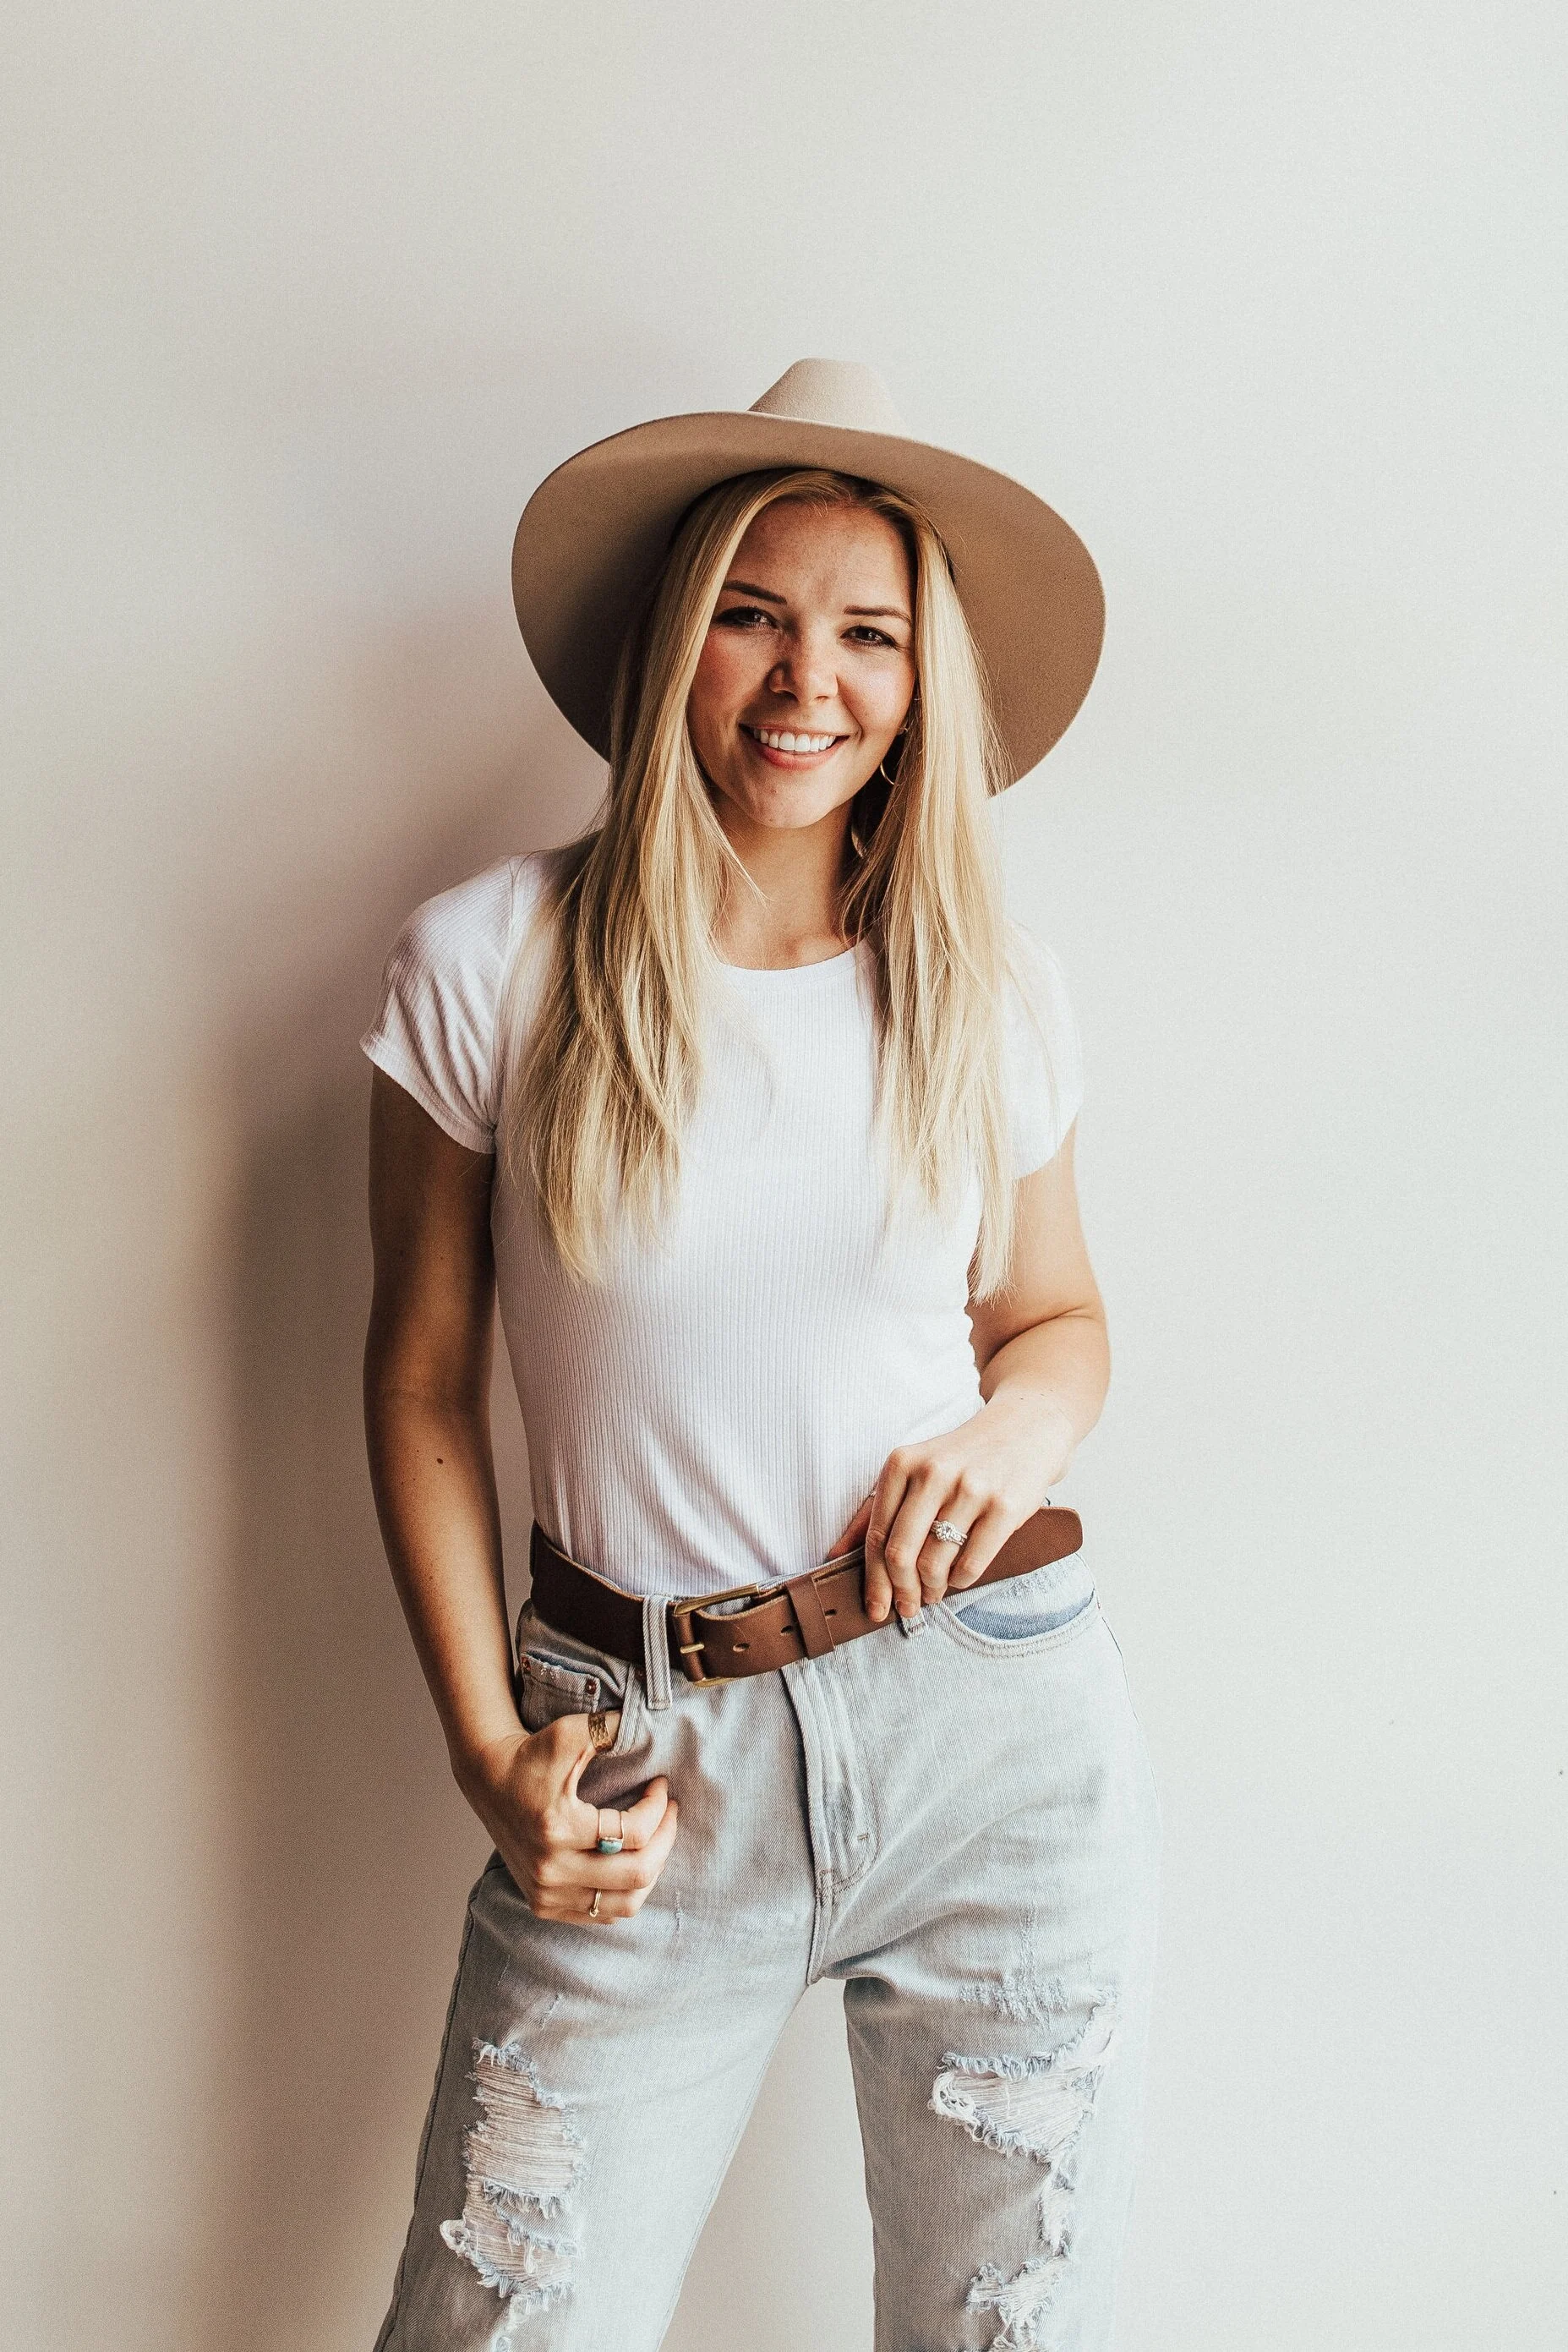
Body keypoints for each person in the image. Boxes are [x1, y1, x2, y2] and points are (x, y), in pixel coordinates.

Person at [360, 359, 1161, 2352]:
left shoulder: (987, 990)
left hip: (990, 1735)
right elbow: (422, 1370)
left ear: (924, 679)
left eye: (870, 633)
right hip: (638, 1761)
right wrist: (486, 1748)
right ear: (674, 644)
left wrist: (1018, 1428)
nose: (811, 679)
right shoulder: (492, 963)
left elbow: (1057, 1321)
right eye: (755, 613)